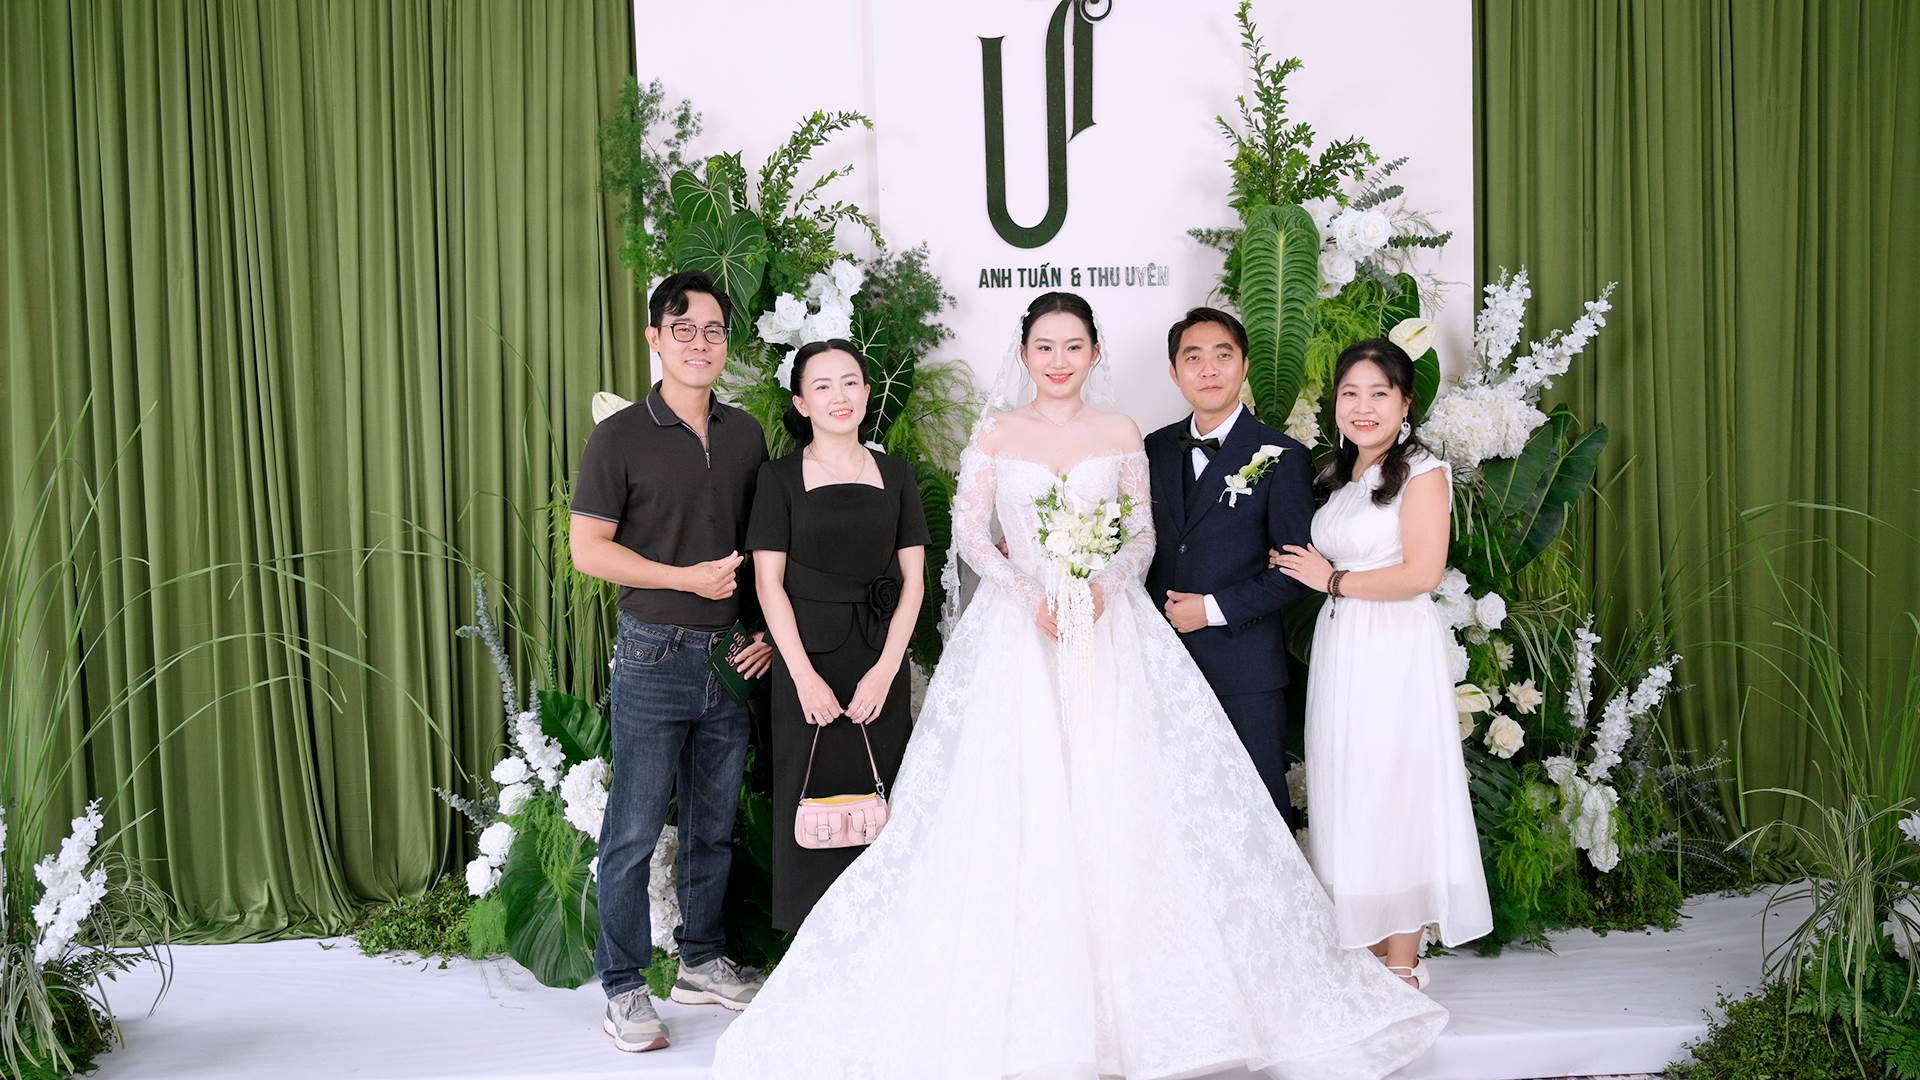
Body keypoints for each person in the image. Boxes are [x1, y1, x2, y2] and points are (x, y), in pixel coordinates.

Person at [711, 293, 1446, 1080]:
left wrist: (1102, 589)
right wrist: (1029, 594)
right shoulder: (996, 432)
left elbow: (1141, 534)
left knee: (1121, 792)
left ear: (1095, 352)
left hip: (1108, 626)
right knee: (1013, 800)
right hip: (1016, 634)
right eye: (1044, 346)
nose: (1058, 361)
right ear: (1025, 353)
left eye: (1073, 346)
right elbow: (972, 535)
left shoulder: (1122, 432)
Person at [567, 270, 774, 1053]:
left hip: (730, 656)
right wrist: (684, 579)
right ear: (655, 338)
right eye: (683, 329)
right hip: (653, 654)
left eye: (713, 330)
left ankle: (701, 962)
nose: (700, 343)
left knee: (713, 826)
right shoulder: (619, 436)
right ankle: (623, 987)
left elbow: (764, 549)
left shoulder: (746, 434)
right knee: (633, 831)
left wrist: (760, 630)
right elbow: (590, 551)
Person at [1273, 339, 1494, 990]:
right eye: (1350, 393)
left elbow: (1422, 573)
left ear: (1405, 404)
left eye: (1379, 393)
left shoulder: (1422, 471)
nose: (1362, 406)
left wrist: (1332, 580)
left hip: (1394, 649)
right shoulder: (1339, 475)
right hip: (1344, 645)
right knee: (1352, 789)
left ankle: (1403, 963)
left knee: (1394, 789)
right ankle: (1368, 952)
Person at [746, 338, 928, 932]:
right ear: (801, 403)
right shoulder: (777, 479)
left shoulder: (898, 475)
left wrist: (886, 671)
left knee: (881, 798)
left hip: (879, 661)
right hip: (806, 668)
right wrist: (802, 678)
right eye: (822, 386)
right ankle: (809, 949)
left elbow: (914, 582)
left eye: (850, 382)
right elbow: (769, 584)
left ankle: (882, 941)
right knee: (809, 803)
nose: (839, 396)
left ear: (868, 393)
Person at [1144, 306, 1314, 824]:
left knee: (1256, 812)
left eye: (1222, 356)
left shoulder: (1282, 456)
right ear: (1174, 372)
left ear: (1244, 366)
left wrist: (1212, 609)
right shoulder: (1153, 448)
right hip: (1161, 663)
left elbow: (1295, 571)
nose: (1209, 370)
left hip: (1245, 669)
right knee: (1175, 811)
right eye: (1193, 358)